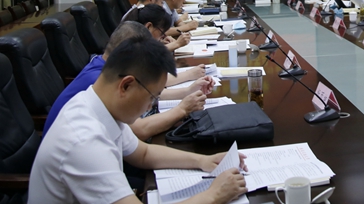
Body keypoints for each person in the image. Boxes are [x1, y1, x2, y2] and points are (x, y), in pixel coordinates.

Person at [29, 35, 246, 204]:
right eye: (152, 97)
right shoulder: (83, 141)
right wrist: (213, 195)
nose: (150, 107)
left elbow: (143, 153)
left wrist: (203, 161)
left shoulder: (96, 104)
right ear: (126, 85)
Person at [43, 22, 212, 140]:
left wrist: (187, 91)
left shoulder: (103, 66)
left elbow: (148, 93)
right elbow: (139, 130)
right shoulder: (101, 82)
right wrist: (181, 109)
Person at [124, 3, 191, 52]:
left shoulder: (137, 32)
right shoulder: (131, 41)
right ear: (149, 26)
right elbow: (149, 54)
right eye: (162, 33)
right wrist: (177, 43)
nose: (163, 36)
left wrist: (160, 42)